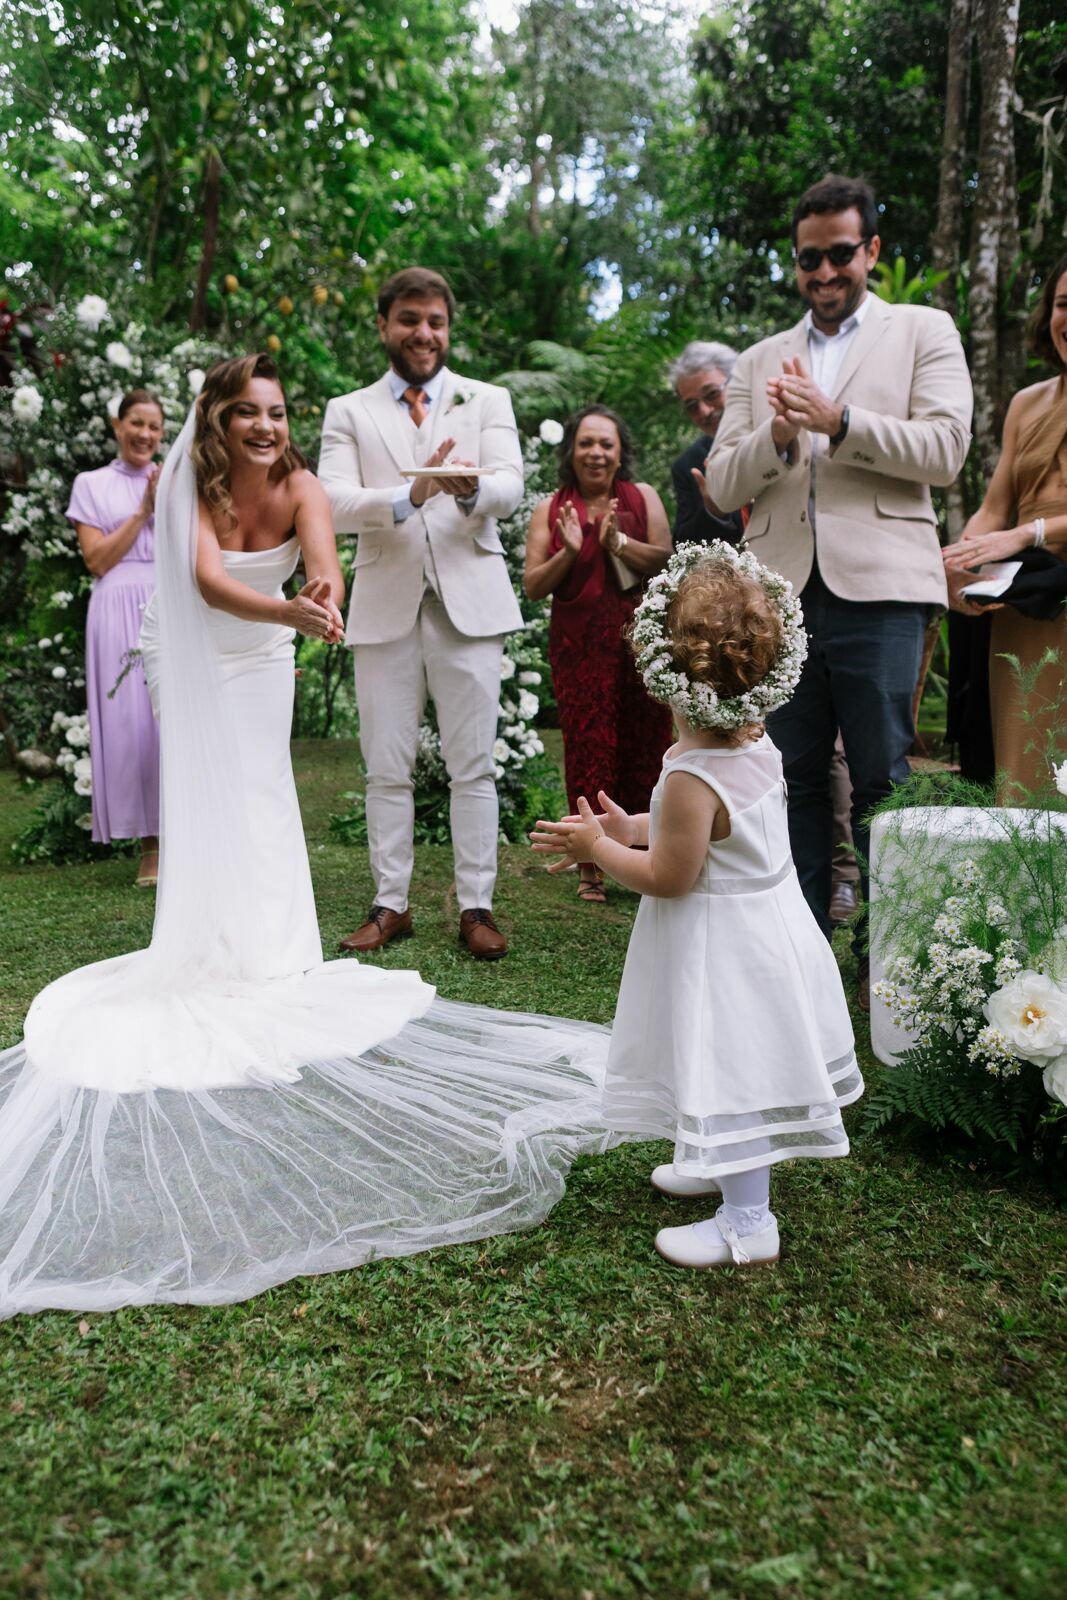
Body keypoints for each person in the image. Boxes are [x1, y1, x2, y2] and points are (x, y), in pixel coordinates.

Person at [0, 354, 617, 1321]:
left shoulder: (300, 486)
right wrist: (287, 603)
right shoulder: (191, 481)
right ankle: (206, 938)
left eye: (277, 412)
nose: (266, 426)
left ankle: (269, 951)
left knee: (260, 787)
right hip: (190, 643)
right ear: (217, 420)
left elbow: (324, 560)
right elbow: (205, 581)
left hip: (265, 650)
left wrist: (318, 596)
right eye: (248, 412)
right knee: (206, 792)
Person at [531, 542, 861, 1269]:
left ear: (664, 672)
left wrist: (598, 849)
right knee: (721, 1060)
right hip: (762, 931)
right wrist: (631, 826)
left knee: (733, 1069)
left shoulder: (692, 775)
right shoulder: (754, 743)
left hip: (724, 950)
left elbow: (669, 875)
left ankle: (748, 1222)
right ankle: (716, 1158)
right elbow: (712, 832)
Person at [705, 173, 973, 1009]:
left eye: (840, 254)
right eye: (808, 259)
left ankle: (890, 968)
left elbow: (946, 450)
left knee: (881, 774)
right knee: (785, 778)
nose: (824, 272)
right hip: (777, 598)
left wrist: (839, 422)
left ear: (871, 251)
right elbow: (721, 483)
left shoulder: (922, 330)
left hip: (883, 591)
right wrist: (779, 437)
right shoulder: (756, 359)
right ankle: (801, 964)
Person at [317, 267, 523, 960]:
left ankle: (476, 906)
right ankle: (391, 904)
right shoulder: (348, 410)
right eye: (409, 319)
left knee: (474, 766)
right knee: (385, 767)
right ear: (384, 325)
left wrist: (464, 490)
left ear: (448, 328)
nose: (423, 333)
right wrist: (410, 494)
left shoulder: (486, 399)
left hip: (471, 603)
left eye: (435, 321)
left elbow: (510, 484)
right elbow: (332, 502)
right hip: (385, 604)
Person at [523, 406, 673, 903]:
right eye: (586, 442)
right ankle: (590, 863)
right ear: (571, 451)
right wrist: (567, 552)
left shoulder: (642, 497)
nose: (596, 453)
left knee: (646, 741)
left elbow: (665, 559)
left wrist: (620, 542)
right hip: (579, 647)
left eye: (606, 443)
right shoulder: (550, 509)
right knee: (589, 748)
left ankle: (649, 855)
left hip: (639, 641)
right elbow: (532, 585)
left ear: (620, 452)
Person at [943, 250, 1067, 797]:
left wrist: (1029, 532)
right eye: (1063, 304)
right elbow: (996, 509)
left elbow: (1013, 527)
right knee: (1022, 769)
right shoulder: (1027, 404)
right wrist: (961, 559)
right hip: (1027, 604)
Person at [67, 388, 164, 885]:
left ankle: (189, 835)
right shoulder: (91, 484)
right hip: (116, 607)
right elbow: (97, 560)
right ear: (117, 425)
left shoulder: (175, 479)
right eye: (136, 423)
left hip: (167, 602)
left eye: (154, 426)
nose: (144, 434)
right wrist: (144, 510)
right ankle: (150, 845)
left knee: (169, 720)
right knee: (131, 722)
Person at [667, 341, 745, 547]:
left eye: (712, 394)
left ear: (738, 382)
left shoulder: (776, 432)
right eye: (692, 406)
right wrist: (713, 512)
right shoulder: (688, 465)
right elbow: (682, 543)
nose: (704, 411)